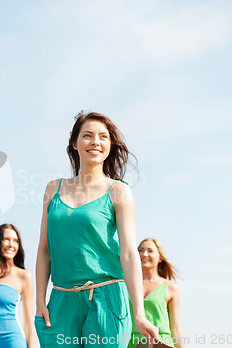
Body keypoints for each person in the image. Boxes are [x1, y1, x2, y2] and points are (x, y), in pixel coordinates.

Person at [35, 111, 159, 347]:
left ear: (110, 146)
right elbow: (44, 249)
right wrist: (40, 301)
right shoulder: (53, 189)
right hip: (61, 300)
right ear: (75, 143)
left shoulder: (118, 192)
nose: (95, 142)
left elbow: (129, 253)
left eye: (103, 137)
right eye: (87, 136)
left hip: (106, 297)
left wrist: (139, 313)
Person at [127, 238, 184, 348]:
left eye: (150, 250)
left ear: (160, 258)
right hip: (131, 342)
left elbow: (175, 328)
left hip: (161, 343)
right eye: (140, 250)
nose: (144, 254)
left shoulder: (170, 287)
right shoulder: (126, 284)